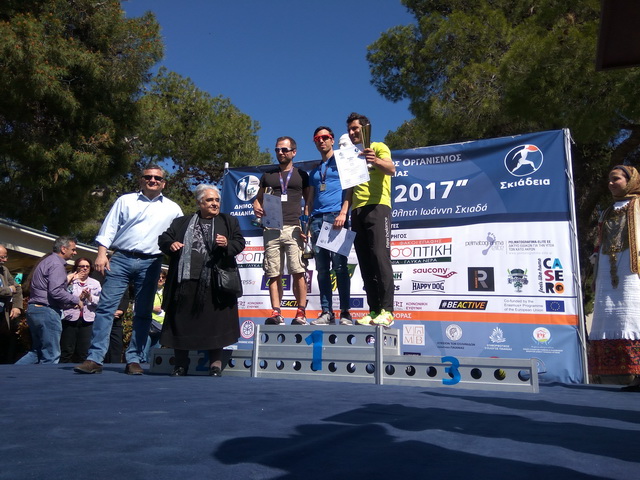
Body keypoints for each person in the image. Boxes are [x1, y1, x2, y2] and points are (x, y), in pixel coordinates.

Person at [74, 164, 183, 375]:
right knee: (106, 308)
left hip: (151, 262)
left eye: (157, 178)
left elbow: (178, 237)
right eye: (148, 177)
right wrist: (101, 254)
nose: (152, 180)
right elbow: (109, 228)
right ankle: (94, 358)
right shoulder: (125, 200)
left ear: (163, 183)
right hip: (121, 258)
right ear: (141, 180)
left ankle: (134, 359)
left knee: (143, 312)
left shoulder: (173, 209)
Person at [158, 184, 245, 376]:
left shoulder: (228, 221)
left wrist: (227, 244)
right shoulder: (181, 222)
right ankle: (181, 364)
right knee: (181, 323)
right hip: (185, 281)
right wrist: (171, 244)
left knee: (215, 323)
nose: (215, 203)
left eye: (217, 200)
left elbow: (240, 243)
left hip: (215, 283)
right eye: (210, 200)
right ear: (200, 203)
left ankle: (215, 365)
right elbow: (163, 239)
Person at [589, 165, 640, 391]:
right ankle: (626, 374)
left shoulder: (638, 205)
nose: (610, 183)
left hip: (632, 269)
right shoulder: (608, 210)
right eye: (609, 179)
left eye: (616, 179)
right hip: (607, 270)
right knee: (611, 315)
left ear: (630, 180)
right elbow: (600, 241)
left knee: (634, 315)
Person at [253, 136, 311, 325]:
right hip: (271, 227)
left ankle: (300, 312)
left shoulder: (301, 175)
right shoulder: (268, 175)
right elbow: (257, 199)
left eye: (284, 149)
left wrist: (307, 227)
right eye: (277, 149)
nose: (280, 153)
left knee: (298, 271)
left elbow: (309, 203)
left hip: (294, 227)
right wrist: (256, 206)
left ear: (294, 152)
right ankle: (276, 312)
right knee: (273, 272)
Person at [346, 112, 396, 327]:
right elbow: (349, 187)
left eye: (355, 128)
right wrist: (344, 211)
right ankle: (374, 310)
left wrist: (374, 159)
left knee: (380, 258)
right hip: (357, 211)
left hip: (378, 206)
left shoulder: (378, 147)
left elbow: (391, 169)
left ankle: (388, 311)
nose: (351, 132)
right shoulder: (351, 155)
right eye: (349, 129)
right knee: (365, 262)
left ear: (365, 129)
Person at [306, 126, 352, 325]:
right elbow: (309, 199)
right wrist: (306, 223)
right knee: (322, 270)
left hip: (336, 218)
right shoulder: (315, 172)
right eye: (317, 138)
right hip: (317, 220)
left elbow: (350, 189)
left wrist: (343, 212)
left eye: (325, 137)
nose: (321, 141)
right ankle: (327, 312)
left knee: (340, 267)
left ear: (332, 140)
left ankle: (345, 312)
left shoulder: (343, 163)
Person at [16, 237, 82, 364]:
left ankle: (8, 374)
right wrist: (76, 300)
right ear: (63, 249)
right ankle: (46, 378)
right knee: (51, 355)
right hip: (46, 312)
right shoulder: (56, 264)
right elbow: (56, 291)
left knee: (37, 352)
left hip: (35, 309)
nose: (75, 252)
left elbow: (50, 291)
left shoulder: (46, 262)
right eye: (73, 249)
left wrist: (67, 304)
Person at [59, 258, 101, 363]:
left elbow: (101, 301)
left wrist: (89, 297)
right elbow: (62, 297)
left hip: (88, 320)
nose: (85, 268)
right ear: (77, 268)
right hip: (70, 318)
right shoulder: (70, 281)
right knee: (67, 349)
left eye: (87, 266)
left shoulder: (95, 283)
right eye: (82, 266)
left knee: (84, 350)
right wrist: (78, 298)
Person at [0, 245, 24, 363]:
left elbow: (17, 288)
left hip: (2, 315)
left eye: (6, 257)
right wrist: (9, 290)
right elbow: (11, 289)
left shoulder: (4, 270)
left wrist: (17, 306)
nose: (5, 260)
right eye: (2, 257)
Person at [144, 270, 166, 363]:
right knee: (144, 351)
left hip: (161, 327)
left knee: (154, 355)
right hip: (149, 324)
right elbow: (138, 305)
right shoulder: (149, 290)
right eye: (158, 277)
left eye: (163, 277)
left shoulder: (166, 291)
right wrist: (152, 308)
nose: (160, 279)